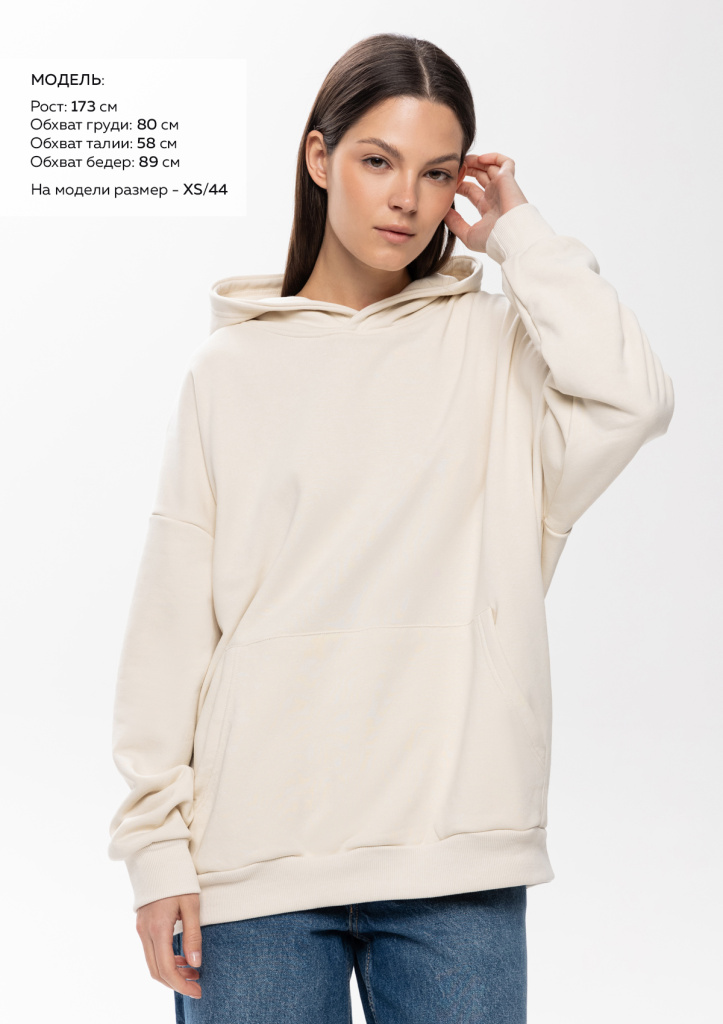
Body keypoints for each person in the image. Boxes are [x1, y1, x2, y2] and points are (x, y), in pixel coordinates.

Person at [107, 32, 675, 1023]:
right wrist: (155, 851)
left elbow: (635, 396)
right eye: (378, 160)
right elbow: (171, 625)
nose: (405, 198)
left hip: (454, 856)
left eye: (436, 173)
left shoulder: (499, 349)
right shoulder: (229, 374)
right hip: (252, 865)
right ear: (320, 158)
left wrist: (521, 236)